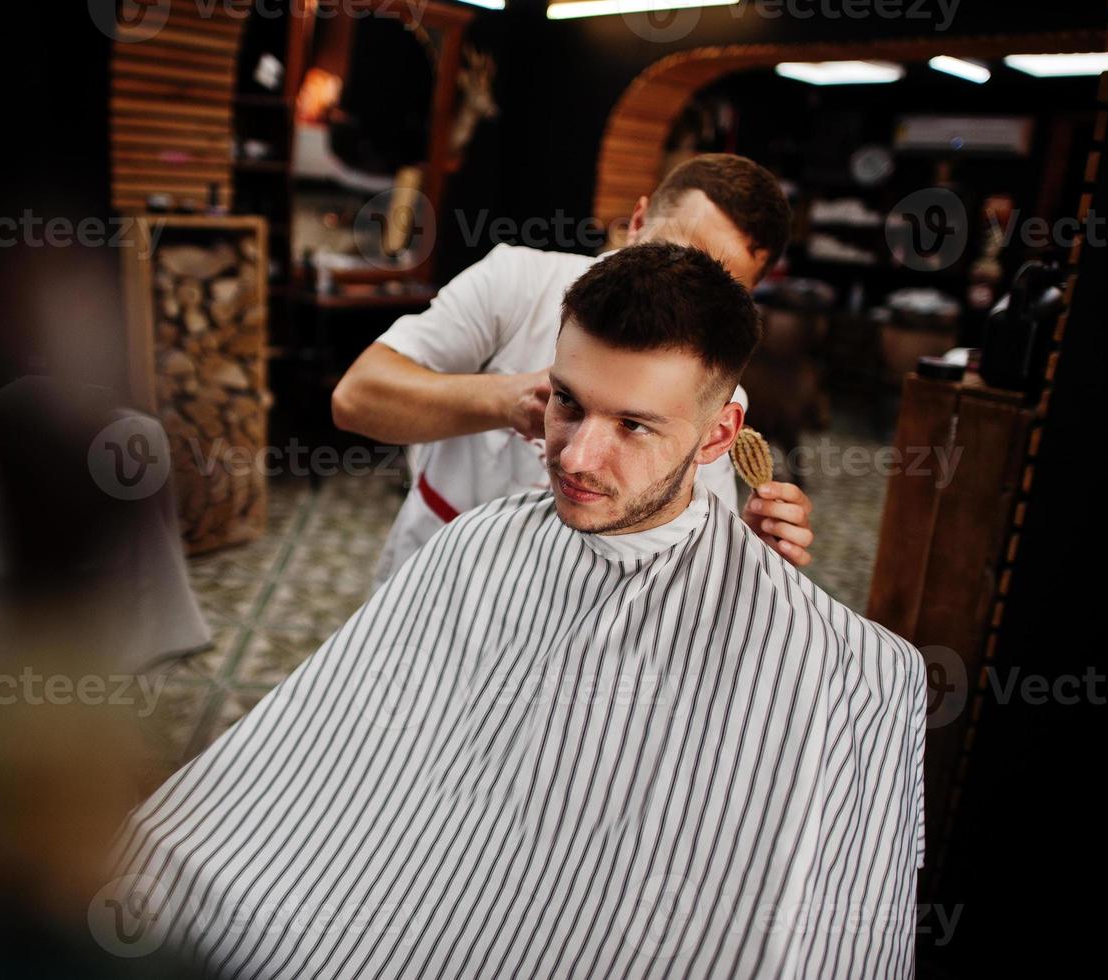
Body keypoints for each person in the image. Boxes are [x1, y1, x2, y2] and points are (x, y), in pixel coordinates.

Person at [112, 243, 926, 979]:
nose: (572, 456)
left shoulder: (845, 670)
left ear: (719, 437)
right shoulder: (479, 545)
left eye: (633, 425)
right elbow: (326, 759)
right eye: (566, 402)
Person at [332, 153, 816, 589]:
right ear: (639, 221)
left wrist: (742, 549)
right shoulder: (516, 282)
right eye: (675, 253)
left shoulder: (715, 395)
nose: (686, 294)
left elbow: (683, 553)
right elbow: (356, 400)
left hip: (575, 608)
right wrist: (504, 401)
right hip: (438, 569)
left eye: (720, 287)